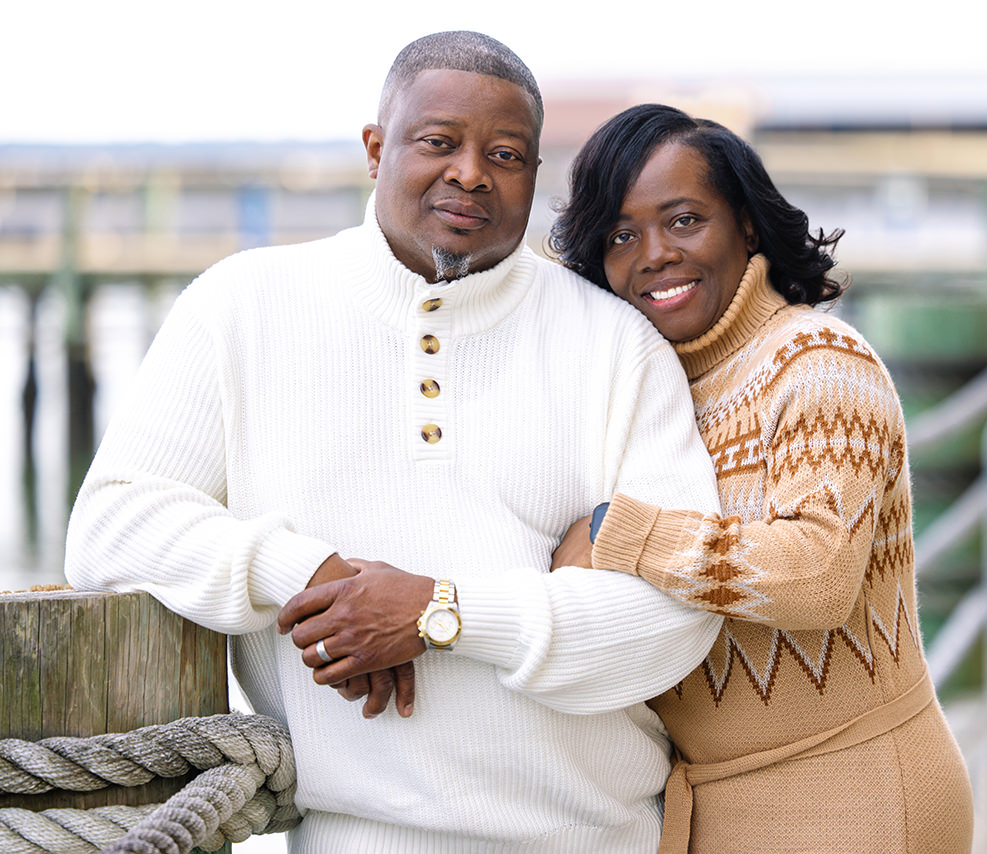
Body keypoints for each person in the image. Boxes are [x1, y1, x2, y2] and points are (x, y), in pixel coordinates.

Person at [64, 35, 725, 852]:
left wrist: (440, 614)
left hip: (596, 836)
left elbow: (678, 616)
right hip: (355, 836)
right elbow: (112, 527)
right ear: (376, 149)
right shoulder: (240, 308)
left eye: (506, 154)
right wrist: (309, 574)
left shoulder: (619, 346)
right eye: (439, 142)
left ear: (533, 173)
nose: (472, 172)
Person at [550, 103, 974, 853]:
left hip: (853, 789)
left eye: (683, 220)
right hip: (706, 799)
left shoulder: (819, 362)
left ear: (745, 224)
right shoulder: (649, 393)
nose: (654, 253)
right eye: (622, 234)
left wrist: (618, 532)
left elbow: (817, 574)